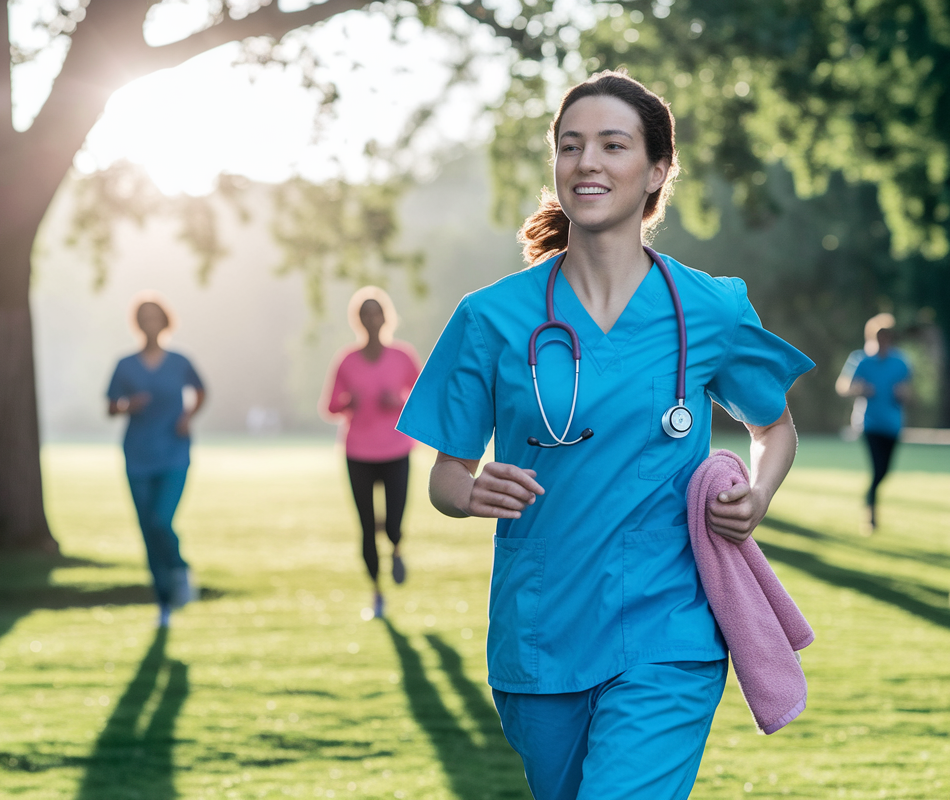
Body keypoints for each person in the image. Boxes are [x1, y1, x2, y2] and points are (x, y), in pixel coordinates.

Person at [396, 71, 815, 800]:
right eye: (570, 145)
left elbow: (773, 426)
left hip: (668, 632)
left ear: (656, 171)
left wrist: (759, 494)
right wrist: (470, 491)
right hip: (540, 634)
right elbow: (443, 478)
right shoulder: (491, 317)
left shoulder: (709, 308)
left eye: (612, 145)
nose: (586, 162)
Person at [321, 287, 421, 619]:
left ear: (386, 317)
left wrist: (399, 402)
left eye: (376, 312)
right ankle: (377, 592)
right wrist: (349, 403)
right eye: (365, 314)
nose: (371, 319)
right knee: (366, 527)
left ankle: (396, 547)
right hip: (358, 453)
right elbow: (330, 406)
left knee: (393, 522)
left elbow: (422, 400)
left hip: (396, 450)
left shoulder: (403, 357)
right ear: (358, 321)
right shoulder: (347, 360)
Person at [107, 294, 206, 628]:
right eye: (144, 318)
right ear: (137, 324)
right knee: (147, 529)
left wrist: (188, 416)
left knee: (162, 520)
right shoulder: (125, 365)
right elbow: (110, 405)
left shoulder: (179, 362)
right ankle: (163, 602)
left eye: (155, 317)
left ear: (165, 321)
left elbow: (201, 390)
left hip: (174, 453)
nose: (150, 324)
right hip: (137, 455)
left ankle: (179, 570)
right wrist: (126, 406)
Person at [835, 313, 912, 531]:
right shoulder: (861, 359)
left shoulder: (901, 361)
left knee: (884, 471)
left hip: (893, 425)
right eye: (879, 335)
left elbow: (910, 393)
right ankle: (871, 514)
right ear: (872, 336)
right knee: (877, 469)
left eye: (886, 335)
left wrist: (904, 394)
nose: (883, 339)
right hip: (869, 424)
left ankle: (870, 501)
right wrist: (859, 389)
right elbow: (843, 387)